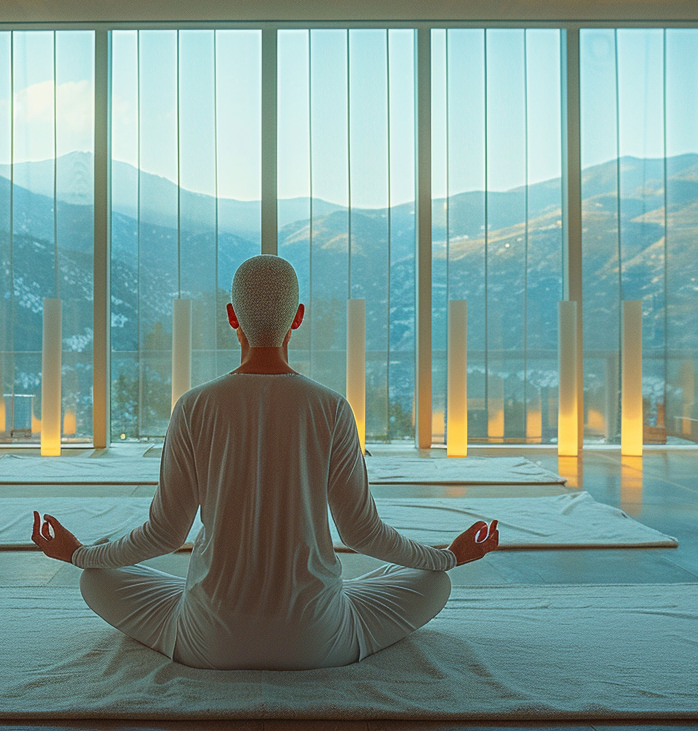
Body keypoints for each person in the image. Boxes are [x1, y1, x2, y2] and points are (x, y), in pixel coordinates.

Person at [32, 254, 499, 670]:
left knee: (96, 580)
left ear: (231, 317)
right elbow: (363, 534)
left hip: (207, 641)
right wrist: (449, 557)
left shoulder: (194, 405)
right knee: (434, 582)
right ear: (298, 318)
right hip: (320, 641)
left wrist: (77, 554)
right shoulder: (331, 406)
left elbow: (164, 535)